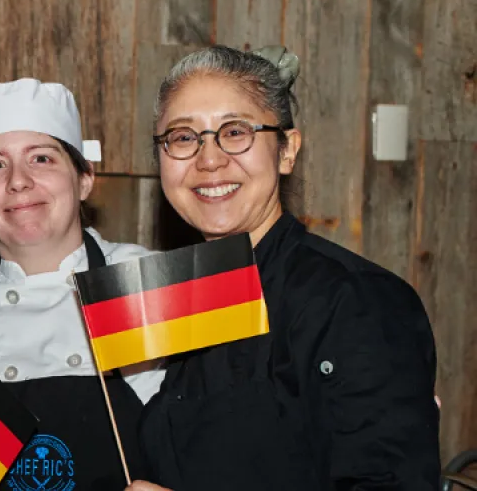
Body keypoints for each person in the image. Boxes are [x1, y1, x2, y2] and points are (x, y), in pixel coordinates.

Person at [127, 46, 439, 490]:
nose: (208, 159)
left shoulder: (355, 301)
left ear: (287, 150)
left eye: (235, 132)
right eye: (182, 137)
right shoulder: (189, 304)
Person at [0, 79, 164, 490]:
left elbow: (221, 442)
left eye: (41, 158)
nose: (18, 181)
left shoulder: (149, 285)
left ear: (84, 179)